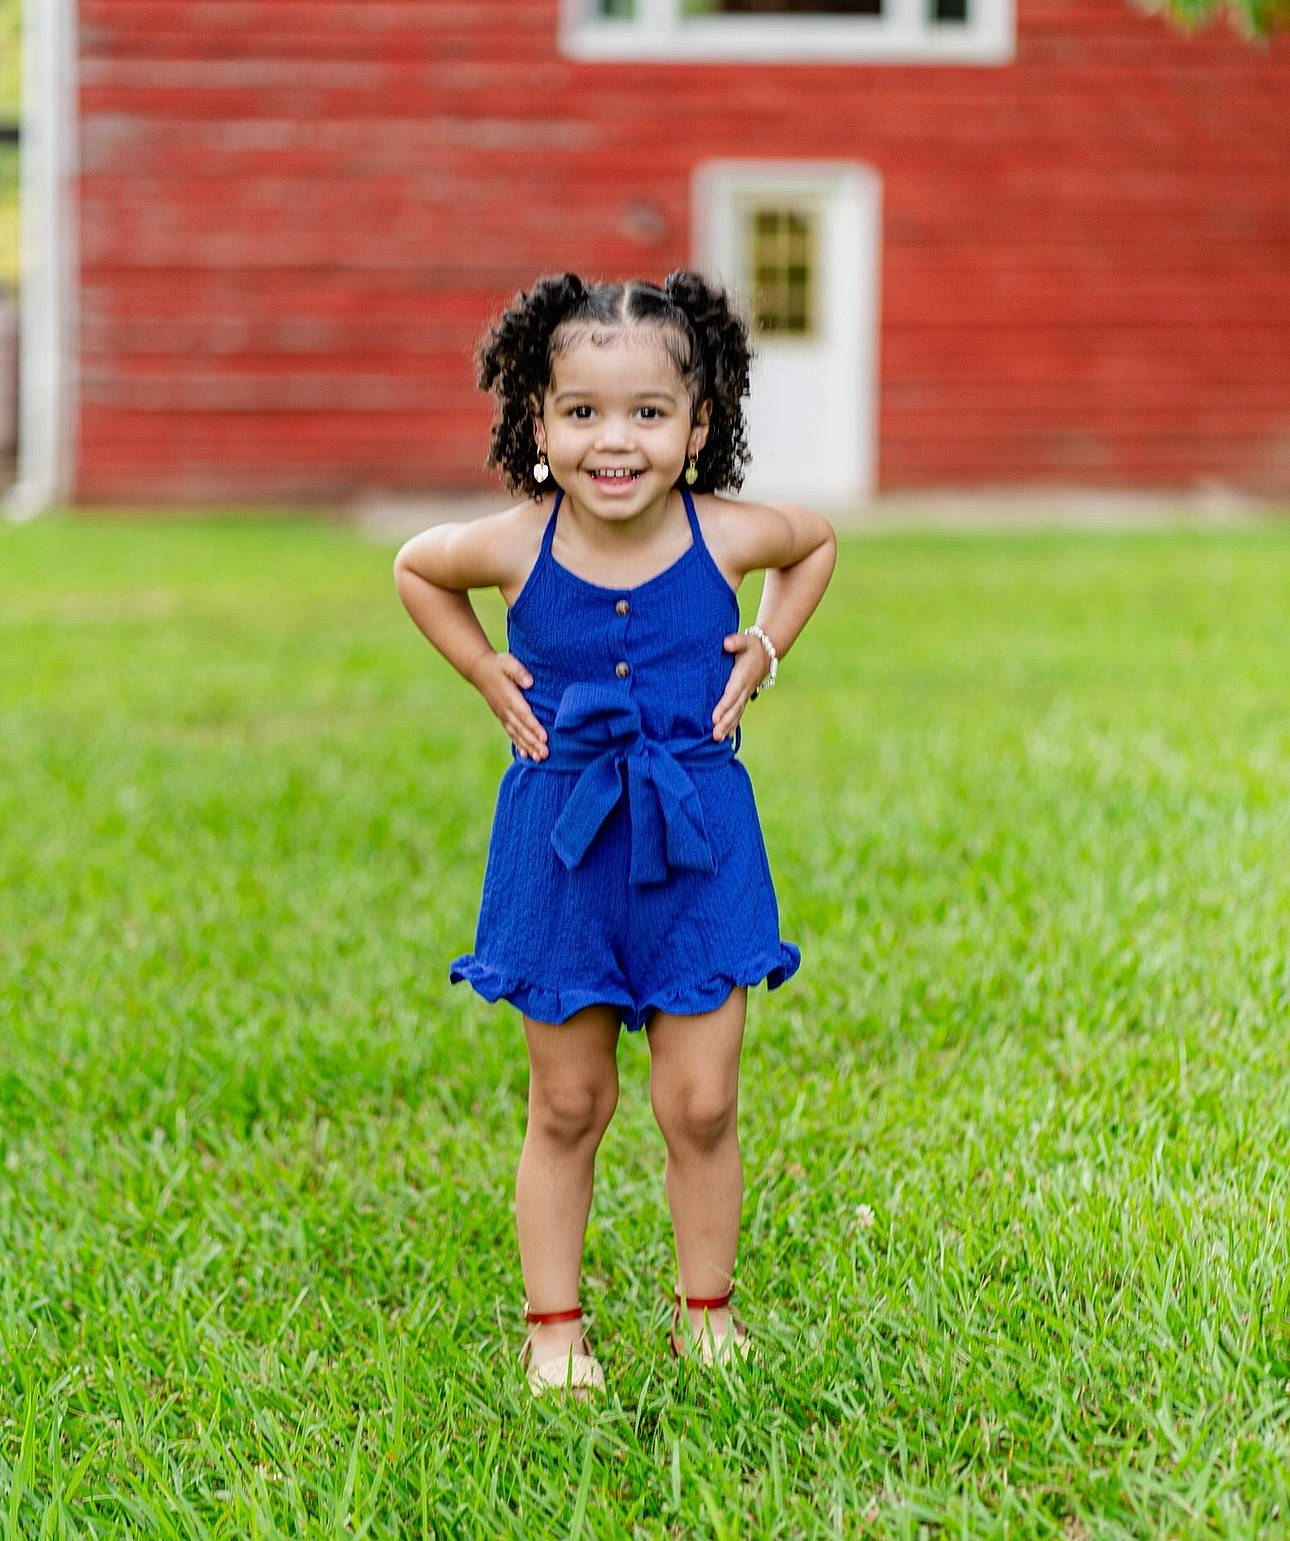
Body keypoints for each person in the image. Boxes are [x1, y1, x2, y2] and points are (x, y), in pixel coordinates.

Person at [393, 270, 835, 1397]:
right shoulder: (510, 542)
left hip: (700, 842)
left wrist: (768, 643)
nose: (615, 440)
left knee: (702, 1098)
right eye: (581, 411)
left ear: (699, 425)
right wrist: (484, 666)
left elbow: (818, 544)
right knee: (570, 1100)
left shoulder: (729, 531)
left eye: (649, 411)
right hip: (563, 849)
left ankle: (707, 1311)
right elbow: (414, 568)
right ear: (536, 424)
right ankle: (554, 1326)